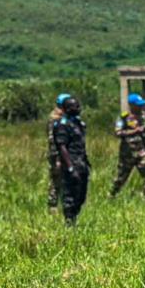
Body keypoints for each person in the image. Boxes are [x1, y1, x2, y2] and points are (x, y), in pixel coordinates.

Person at [49, 94, 89, 226]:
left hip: (82, 163)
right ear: (67, 108)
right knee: (69, 195)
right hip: (70, 163)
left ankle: (74, 216)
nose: (78, 108)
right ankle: (69, 222)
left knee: (81, 195)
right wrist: (70, 167)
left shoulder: (78, 123)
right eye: (75, 106)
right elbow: (61, 146)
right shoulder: (62, 124)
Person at [110, 93, 145, 198]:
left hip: (141, 152)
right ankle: (112, 195)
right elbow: (118, 133)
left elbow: (143, 135)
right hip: (127, 154)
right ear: (132, 105)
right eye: (138, 105)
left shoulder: (142, 116)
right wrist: (134, 131)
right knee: (121, 179)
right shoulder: (124, 118)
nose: (140, 107)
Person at [45, 102, 65, 212]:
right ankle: (53, 205)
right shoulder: (54, 120)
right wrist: (57, 158)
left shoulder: (59, 119)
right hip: (56, 154)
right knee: (56, 179)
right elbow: (53, 141)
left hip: (60, 154)